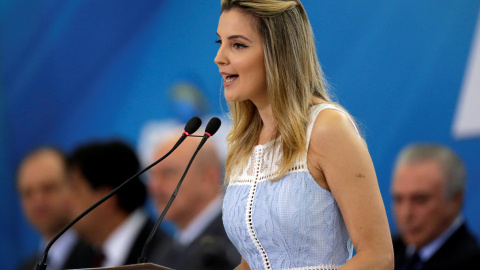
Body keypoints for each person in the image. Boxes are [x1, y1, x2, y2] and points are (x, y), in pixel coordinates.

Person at [214, 0, 394, 269]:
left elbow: (379, 257)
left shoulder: (328, 127)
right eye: (220, 43)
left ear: (279, 52)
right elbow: (252, 261)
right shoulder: (243, 144)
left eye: (237, 45)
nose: (220, 58)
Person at [66, 140, 172, 267]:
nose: (66, 201)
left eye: (75, 189)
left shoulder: (163, 255)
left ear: (106, 198)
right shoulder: (79, 256)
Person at [147, 130, 241, 269]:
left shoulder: (237, 243)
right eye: (153, 175)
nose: (154, 186)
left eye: (168, 173)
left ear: (209, 177)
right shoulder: (163, 250)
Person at [391, 143, 480, 270]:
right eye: (399, 199)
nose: (406, 213)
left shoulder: (471, 261)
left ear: (455, 199)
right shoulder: (388, 254)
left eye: (420, 200)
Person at [16, 147, 94, 270]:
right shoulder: (26, 267)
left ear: (72, 187)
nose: (38, 201)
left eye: (48, 188)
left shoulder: (99, 255)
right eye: (28, 193)